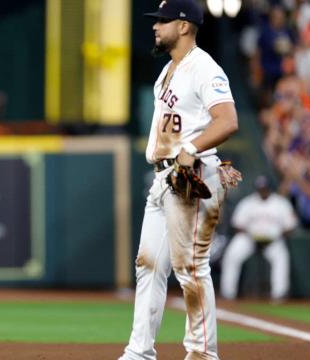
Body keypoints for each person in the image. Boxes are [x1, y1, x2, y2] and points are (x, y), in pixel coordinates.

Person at [119, 1, 240, 359]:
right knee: (148, 265)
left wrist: (192, 147)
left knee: (190, 268)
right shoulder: (170, 69)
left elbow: (227, 120)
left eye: (163, 21)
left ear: (185, 26)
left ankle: (203, 354)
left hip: (192, 174)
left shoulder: (205, 68)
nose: (156, 27)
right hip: (164, 178)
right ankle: (139, 352)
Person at [220, 176, 298, 300]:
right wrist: (250, 233)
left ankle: (279, 293)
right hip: (249, 238)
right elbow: (236, 224)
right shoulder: (248, 202)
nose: (262, 191)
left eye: (264, 188)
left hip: (272, 240)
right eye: (260, 188)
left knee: (281, 258)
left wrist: (277, 234)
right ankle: (227, 292)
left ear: (269, 188)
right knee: (232, 254)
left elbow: (291, 226)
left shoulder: (280, 203)